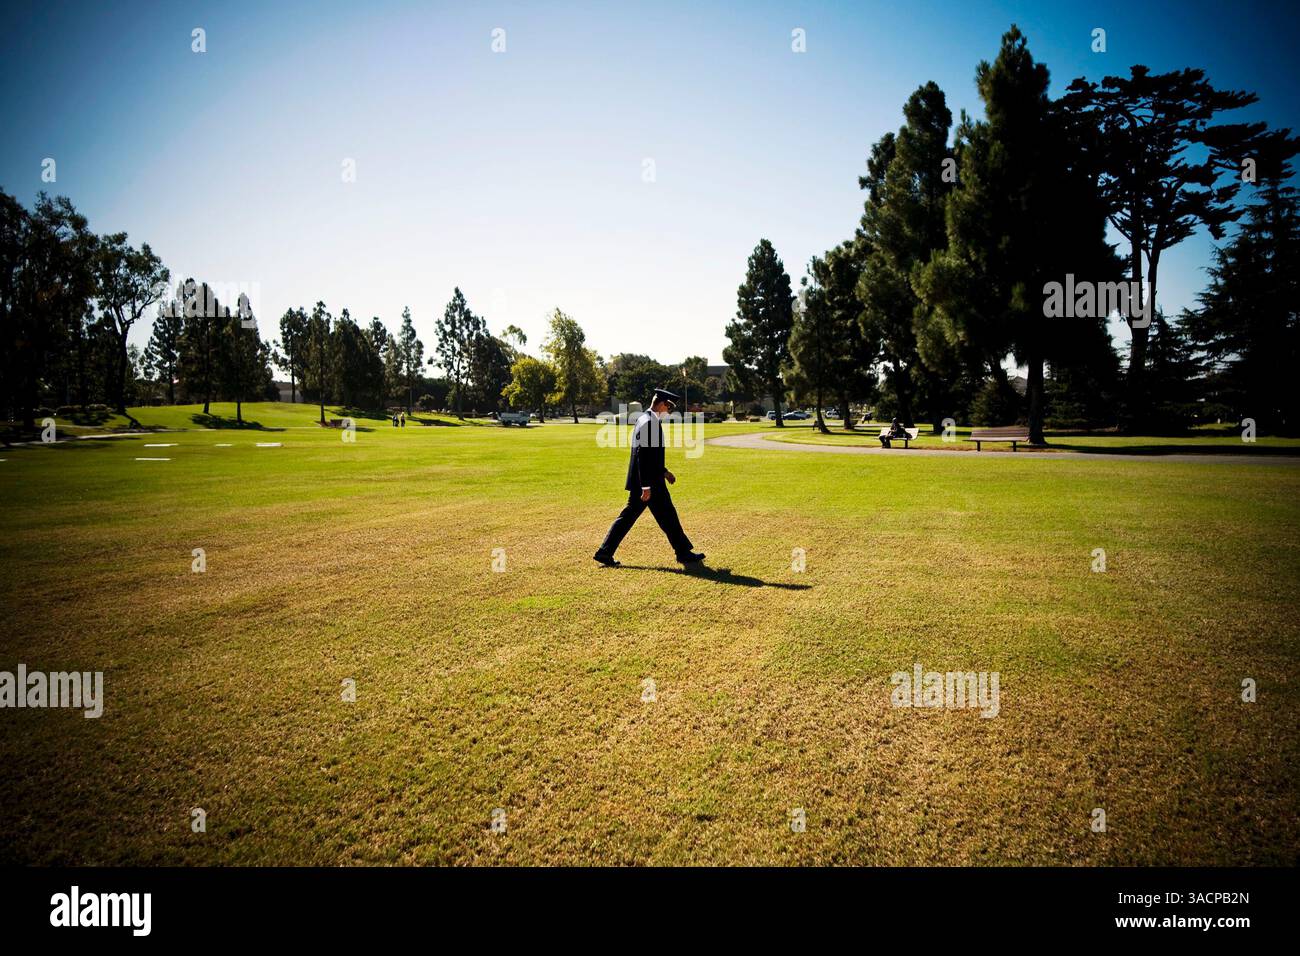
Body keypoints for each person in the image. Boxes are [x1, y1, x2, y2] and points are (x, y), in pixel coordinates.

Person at [594, 389, 705, 568]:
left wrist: (664, 472)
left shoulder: (644, 419)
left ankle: (605, 552)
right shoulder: (649, 423)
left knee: (660, 516)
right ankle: (683, 553)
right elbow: (643, 456)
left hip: (649, 480)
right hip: (648, 483)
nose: (669, 412)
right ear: (661, 404)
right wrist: (646, 486)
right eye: (668, 408)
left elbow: (651, 455)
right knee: (662, 516)